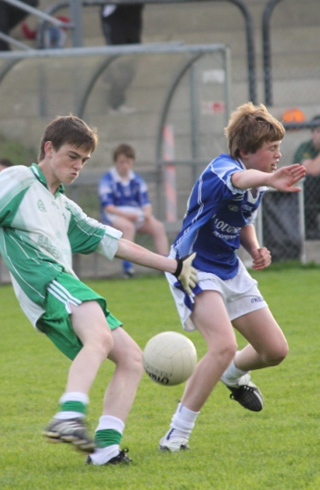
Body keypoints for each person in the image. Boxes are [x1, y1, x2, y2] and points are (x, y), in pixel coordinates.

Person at [0, 115, 197, 466]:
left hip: (62, 285)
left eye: (84, 161)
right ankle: (68, 415)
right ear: (49, 149)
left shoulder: (64, 207)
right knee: (101, 339)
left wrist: (175, 266)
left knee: (131, 358)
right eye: (72, 156)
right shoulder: (19, 180)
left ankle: (105, 449)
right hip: (47, 283)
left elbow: (117, 243)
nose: (77, 166)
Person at [158, 103, 306, 453]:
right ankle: (176, 434)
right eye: (271, 149)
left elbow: (242, 218)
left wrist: (255, 248)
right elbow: (239, 180)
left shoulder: (258, 181)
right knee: (223, 345)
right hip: (193, 266)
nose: (278, 155)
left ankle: (232, 374)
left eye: (277, 148)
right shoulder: (222, 169)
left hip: (229, 267)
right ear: (245, 152)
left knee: (274, 350)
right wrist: (269, 178)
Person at [98, 143, 169, 278]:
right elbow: (108, 207)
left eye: (128, 162)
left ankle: (165, 265)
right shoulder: (107, 179)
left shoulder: (136, 180)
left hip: (135, 215)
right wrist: (126, 215)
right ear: (116, 162)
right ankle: (128, 268)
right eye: (122, 162)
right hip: (114, 216)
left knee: (158, 227)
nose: (125, 166)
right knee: (128, 227)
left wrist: (147, 213)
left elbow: (145, 202)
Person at [100, 3, 144, 114]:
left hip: (133, 18)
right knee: (120, 63)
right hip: (115, 18)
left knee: (131, 63)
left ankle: (117, 102)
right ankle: (115, 103)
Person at [292, 115, 320, 239]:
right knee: (309, 181)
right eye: (319, 131)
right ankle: (311, 229)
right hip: (311, 193)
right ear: (312, 133)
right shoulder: (305, 148)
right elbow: (312, 170)